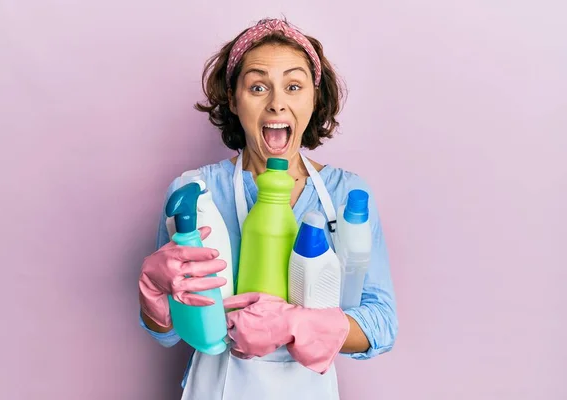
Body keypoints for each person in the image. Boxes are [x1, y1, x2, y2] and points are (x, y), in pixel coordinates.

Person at [138, 18, 398, 400]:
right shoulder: (196, 193)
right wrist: (153, 295)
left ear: (314, 97)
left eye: (294, 86)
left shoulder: (346, 195)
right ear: (233, 97)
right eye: (258, 86)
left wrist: (297, 325)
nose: (277, 102)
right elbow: (168, 334)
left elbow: (381, 324)